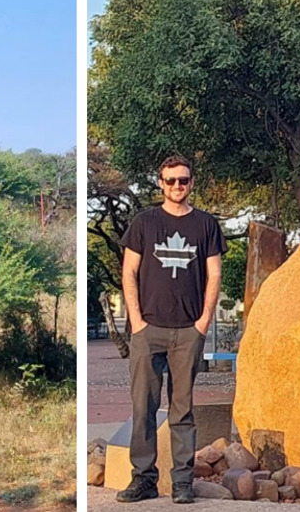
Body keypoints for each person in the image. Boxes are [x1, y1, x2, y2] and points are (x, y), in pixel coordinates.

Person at [115, 155, 224, 504]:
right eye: (171, 180)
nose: (178, 186)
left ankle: (182, 483)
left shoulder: (206, 224)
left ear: (192, 182)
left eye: (184, 180)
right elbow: (129, 272)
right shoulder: (144, 223)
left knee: (182, 410)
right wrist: (137, 321)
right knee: (143, 408)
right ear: (160, 184)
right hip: (148, 330)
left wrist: (203, 321)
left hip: (188, 330)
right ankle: (143, 479)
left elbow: (214, 274)